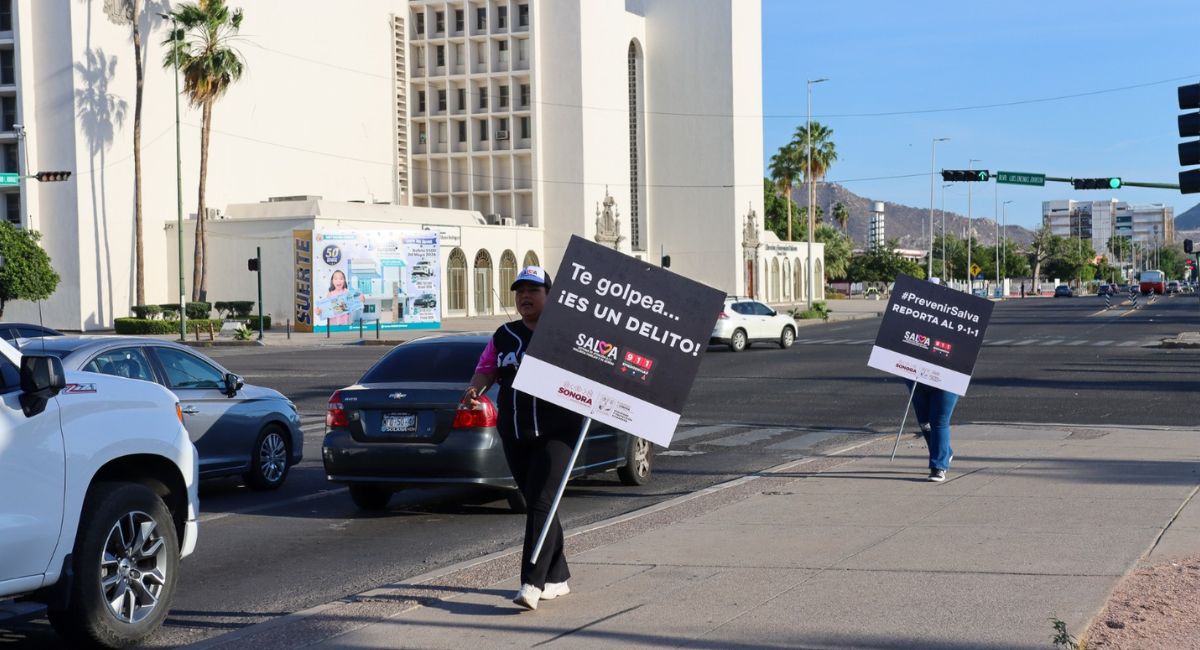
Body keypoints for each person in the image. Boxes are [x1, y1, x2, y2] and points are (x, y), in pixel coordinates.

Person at [461, 266, 583, 610]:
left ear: (550, 295)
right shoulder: (504, 335)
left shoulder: (565, 334)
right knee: (538, 503)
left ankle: (532, 581)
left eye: (533, 290)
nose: (525, 297)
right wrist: (475, 389)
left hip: (557, 431)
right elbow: (487, 368)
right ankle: (557, 577)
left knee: (542, 502)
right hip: (515, 431)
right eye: (520, 291)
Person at [907, 381, 958, 481]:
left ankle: (938, 467)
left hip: (948, 381)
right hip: (918, 380)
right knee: (924, 423)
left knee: (939, 423)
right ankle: (945, 452)